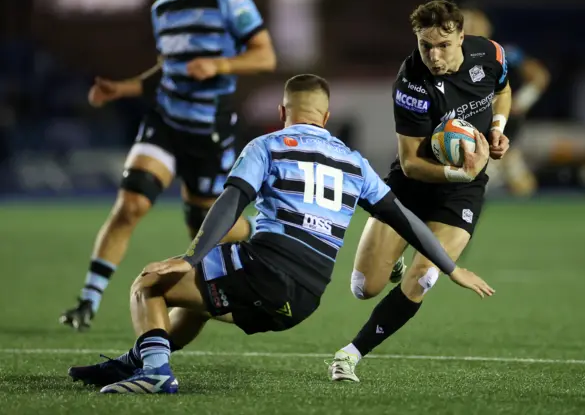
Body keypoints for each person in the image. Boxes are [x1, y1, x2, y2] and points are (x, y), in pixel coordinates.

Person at [67, 74, 494, 394]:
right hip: (303, 300)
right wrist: (451, 268)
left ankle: (156, 373)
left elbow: (229, 203)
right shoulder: (355, 162)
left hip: (265, 271)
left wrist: (190, 257)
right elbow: (406, 220)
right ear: (326, 118)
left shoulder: (267, 145)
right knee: (199, 300)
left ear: (281, 112)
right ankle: (139, 358)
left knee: (150, 283)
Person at [60, 0, 276, 331]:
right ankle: (88, 301)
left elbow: (265, 56)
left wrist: (220, 64)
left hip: (208, 131)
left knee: (206, 226)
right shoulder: (162, 8)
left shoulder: (231, 0)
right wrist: (125, 88)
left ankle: (258, 230)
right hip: (165, 121)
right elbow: (167, 69)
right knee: (131, 204)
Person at [328, 0, 510, 382]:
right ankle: (392, 256)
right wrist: (462, 171)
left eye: (443, 45)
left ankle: (350, 354)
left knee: (424, 274)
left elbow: (503, 90)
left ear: (462, 36)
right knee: (364, 288)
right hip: (414, 185)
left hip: (461, 193)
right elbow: (411, 163)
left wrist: (497, 127)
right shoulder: (411, 81)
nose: (433, 55)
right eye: (425, 45)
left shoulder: (490, 55)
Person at [461, 6, 550, 197]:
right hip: (469, 141)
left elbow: (540, 76)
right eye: (464, 25)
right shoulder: (451, 59)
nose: (468, 30)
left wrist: (522, 101)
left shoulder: (504, 54)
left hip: (506, 139)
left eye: (473, 24)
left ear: (486, 28)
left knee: (524, 190)